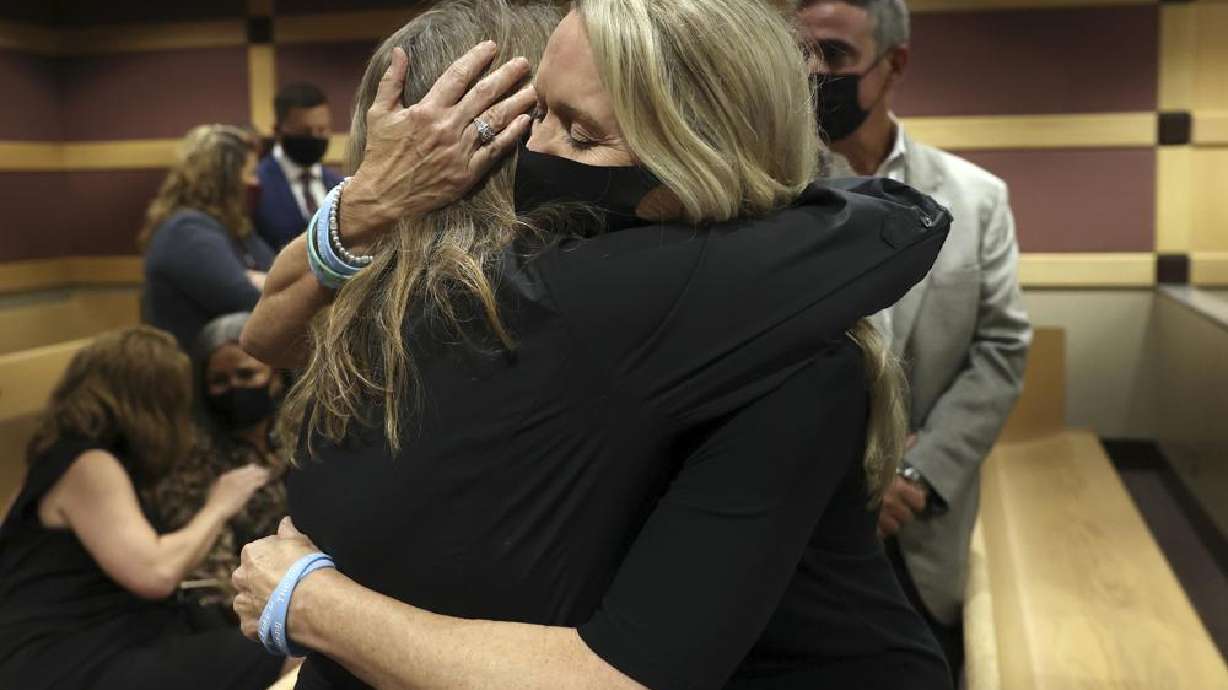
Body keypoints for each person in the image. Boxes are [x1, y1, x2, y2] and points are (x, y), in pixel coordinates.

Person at [233, 1, 951, 689]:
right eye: (535, 114)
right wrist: (369, 201)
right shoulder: (553, 285)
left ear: (696, 158)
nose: (528, 156)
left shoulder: (775, 349)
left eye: (579, 135)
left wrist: (309, 601)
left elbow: (621, 675)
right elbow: (273, 337)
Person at [798, 0, 1033, 680]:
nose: (815, 74)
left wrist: (914, 473)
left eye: (836, 56)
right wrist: (850, 469)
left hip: (924, 533)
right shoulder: (770, 193)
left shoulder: (976, 196)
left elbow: (1001, 350)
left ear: (893, 64)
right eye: (801, 54)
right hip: (802, 533)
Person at [0, 326, 288, 690]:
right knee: (289, 652)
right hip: (67, 657)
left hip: (75, 646)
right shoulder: (88, 465)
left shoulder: (57, 459)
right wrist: (219, 505)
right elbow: (156, 573)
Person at [143, 312, 289, 612]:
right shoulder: (191, 455)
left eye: (247, 375)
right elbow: (210, 574)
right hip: (255, 604)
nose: (235, 388)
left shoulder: (303, 429)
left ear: (274, 373)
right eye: (219, 382)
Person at [140, 125, 274, 349]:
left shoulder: (235, 226)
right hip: (198, 374)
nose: (256, 183)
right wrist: (256, 281)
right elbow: (247, 301)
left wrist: (256, 278)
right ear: (224, 179)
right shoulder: (185, 231)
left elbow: (279, 273)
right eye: (250, 173)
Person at [254, 83, 345, 251]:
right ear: (278, 131)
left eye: (322, 130)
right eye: (305, 132)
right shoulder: (256, 184)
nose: (315, 138)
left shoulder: (339, 184)